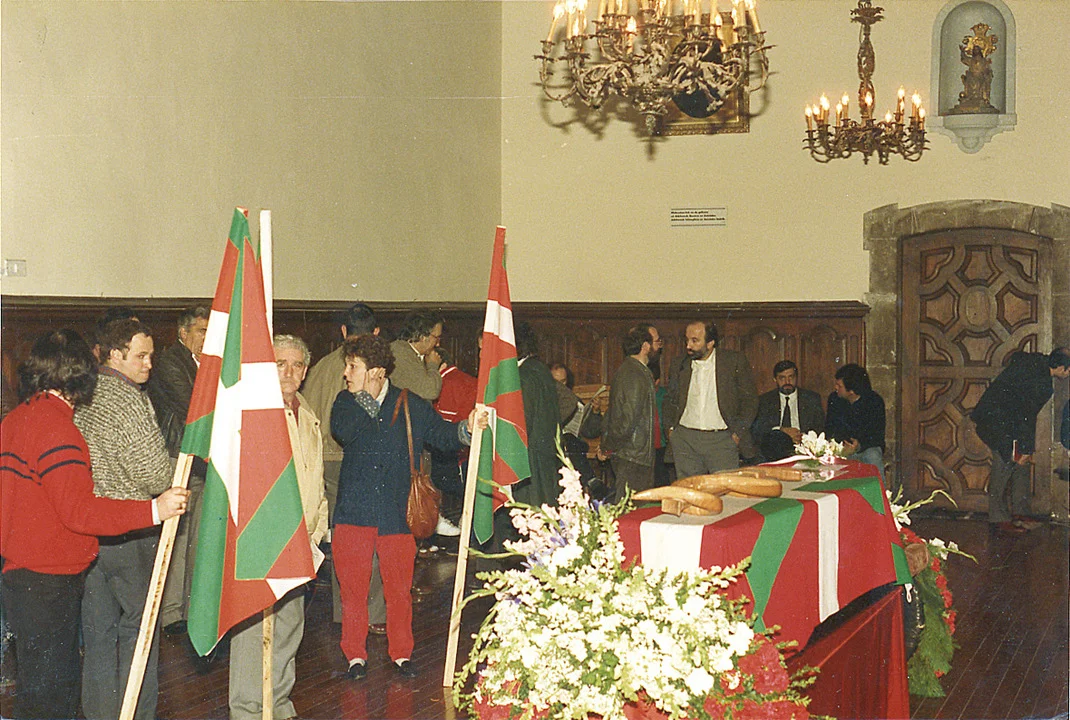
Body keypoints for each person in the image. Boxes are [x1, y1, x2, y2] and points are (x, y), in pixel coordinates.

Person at [1, 329, 187, 720]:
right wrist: (153, 510)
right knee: (53, 697)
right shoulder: (59, 431)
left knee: (37, 689)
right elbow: (81, 513)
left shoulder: (16, 419)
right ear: (83, 376)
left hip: (19, 575)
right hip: (50, 580)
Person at [331, 334, 481, 681]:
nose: (346, 373)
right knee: (353, 591)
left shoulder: (410, 403)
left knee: (399, 591)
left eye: (352, 366)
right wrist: (366, 397)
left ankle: (401, 653)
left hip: (398, 515)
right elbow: (345, 432)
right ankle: (355, 655)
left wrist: (467, 429)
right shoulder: (345, 402)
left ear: (376, 371)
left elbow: (442, 436)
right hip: (353, 514)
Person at [73, 318, 175, 720]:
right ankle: (137, 714)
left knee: (98, 634)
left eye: (151, 355)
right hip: (131, 530)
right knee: (140, 629)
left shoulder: (83, 392)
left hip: (89, 530)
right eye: (141, 356)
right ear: (115, 354)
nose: (149, 364)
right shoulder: (130, 399)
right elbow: (156, 475)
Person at [228, 335, 328, 720]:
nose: (289, 372)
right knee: (254, 630)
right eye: (280, 363)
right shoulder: (256, 411)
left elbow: (314, 476)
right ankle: (248, 710)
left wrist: (317, 527)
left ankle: (278, 703)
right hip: (265, 538)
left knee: (289, 626)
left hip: (302, 539)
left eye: (296, 365)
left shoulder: (306, 411)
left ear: (305, 371)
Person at [301, 302, 384, 627]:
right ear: (376, 332)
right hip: (353, 462)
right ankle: (369, 615)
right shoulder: (371, 370)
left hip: (321, 462)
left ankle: (344, 612)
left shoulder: (321, 365)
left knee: (342, 543)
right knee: (368, 540)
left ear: (344, 331)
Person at [144, 305, 210, 635]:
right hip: (176, 457)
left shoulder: (205, 363)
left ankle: (188, 609)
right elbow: (193, 407)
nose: (207, 337)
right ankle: (170, 613)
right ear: (183, 333)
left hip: (199, 459)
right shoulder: (171, 361)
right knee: (176, 535)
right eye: (201, 331)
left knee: (196, 536)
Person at [971, 348, 1070, 533]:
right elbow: (1026, 416)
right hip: (996, 423)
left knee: (1021, 465)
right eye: (1069, 369)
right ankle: (998, 518)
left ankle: (1021, 512)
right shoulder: (1039, 381)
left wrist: (1025, 450)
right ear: (1061, 367)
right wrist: (1025, 448)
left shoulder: (1038, 365)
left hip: (1007, 421)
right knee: (1004, 464)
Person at [663, 321, 758, 477]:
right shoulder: (679, 364)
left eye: (694, 341)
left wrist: (737, 433)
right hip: (685, 440)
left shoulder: (733, 362)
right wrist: (671, 431)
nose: (688, 346)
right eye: (687, 340)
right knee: (689, 489)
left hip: (722, 440)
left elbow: (750, 400)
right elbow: (670, 399)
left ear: (710, 343)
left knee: (726, 489)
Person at [599, 324, 662, 495]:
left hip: (634, 455)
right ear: (645, 346)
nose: (658, 347)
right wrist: (607, 447)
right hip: (633, 457)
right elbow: (626, 422)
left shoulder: (636, 371)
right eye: (656, 342)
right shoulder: (634, 374)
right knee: (630, 507)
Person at [513, 322, 565, 508]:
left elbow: (521, 426)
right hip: (545, 460)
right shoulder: (539, 369)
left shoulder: (522, 376)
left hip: (529, 466)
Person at [752, 360, 826, 462]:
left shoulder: (811, 398)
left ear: (796, 378)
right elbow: (758, 430)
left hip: (804, 450)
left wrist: (802, 437)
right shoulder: (765, 401)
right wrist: (781, 431)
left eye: (791, 377)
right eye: (782, 378)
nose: (787, 382)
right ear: (775, 379)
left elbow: (820, 427)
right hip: (774, 452)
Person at [825, 363, 886, 480]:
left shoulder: (874, 401)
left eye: (839, 385)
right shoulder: (834, 399)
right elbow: (830, 428)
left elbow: (877, 436)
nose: (835, 387)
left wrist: (858, 446)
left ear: (851, 391)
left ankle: (880, 490)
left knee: (873, 455)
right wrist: (842, 446)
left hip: (865, 448)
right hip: (841, 447)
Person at [389, 311, 444, 402]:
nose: (438, 344)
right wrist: (432, 365)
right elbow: (431, 391)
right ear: (422, 336)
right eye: (436, 338)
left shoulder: (410, 353)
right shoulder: (401, 354)